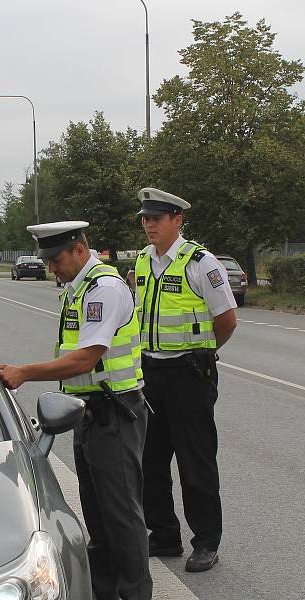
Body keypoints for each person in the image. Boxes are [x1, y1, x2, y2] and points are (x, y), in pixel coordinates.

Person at [0, 221, 152, 600]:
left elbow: (85, 359)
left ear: (79, 250)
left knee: (122, 517)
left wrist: (25, 373)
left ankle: (134, 593)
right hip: (90, 414)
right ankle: (105, 591)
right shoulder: (77, 289)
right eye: (47, 259)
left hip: (115, 413)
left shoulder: (104, 288)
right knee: (98, 517)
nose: (51, 267)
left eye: (55, 258)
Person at [135, 188, 237, 573]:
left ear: (176, 220)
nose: (149, 225)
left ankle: (206, 542)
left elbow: (226, 319)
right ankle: (163, 534)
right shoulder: (144, 262)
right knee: (150, 460)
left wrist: (204, 352)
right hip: (150, 372)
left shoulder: (200, 262)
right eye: (145, 219)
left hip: (189, 374)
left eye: (156, 218)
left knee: (196, 461)